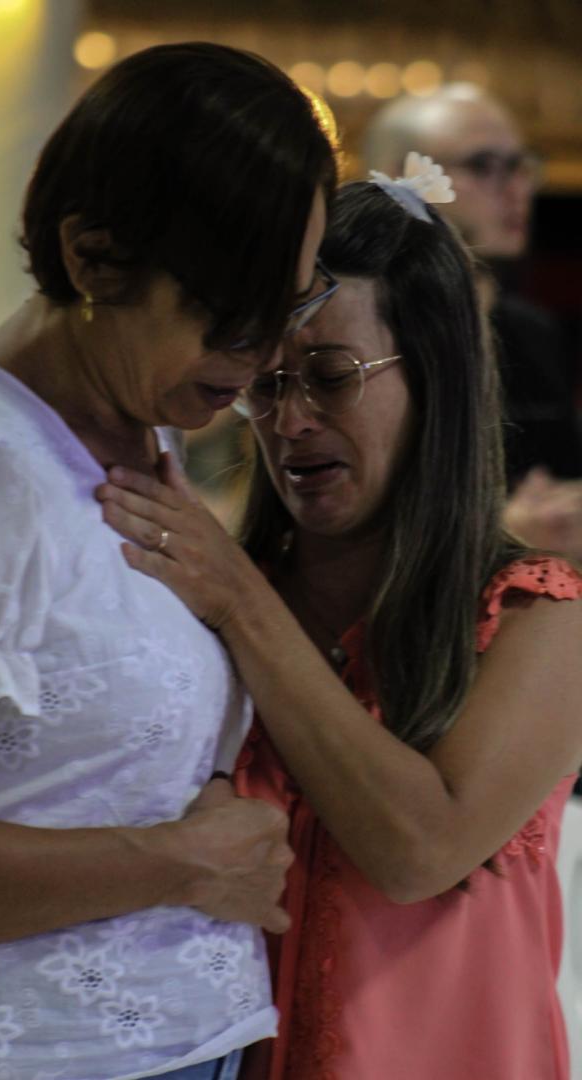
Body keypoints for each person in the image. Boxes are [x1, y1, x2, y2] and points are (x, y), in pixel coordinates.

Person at [0, 42, 340, 1080]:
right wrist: (179, 864)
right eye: (231, 315)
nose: (264, 357)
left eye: (289, 309)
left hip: (185, 1045)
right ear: (93, 257)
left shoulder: (137, 423)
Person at [98, 156, 582, 1079]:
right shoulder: (210, 604)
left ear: (435, 376)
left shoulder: (537, 615)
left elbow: (420, 850)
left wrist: (240, 600)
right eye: (267, 383)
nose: (289, 422)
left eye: (330, 375)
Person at [362, 84, 582, 562]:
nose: (517, 190)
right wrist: (505, 530)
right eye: (485, 165)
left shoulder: (538, 331)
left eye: (521, 166)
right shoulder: (366, 333)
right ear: (403, 178)